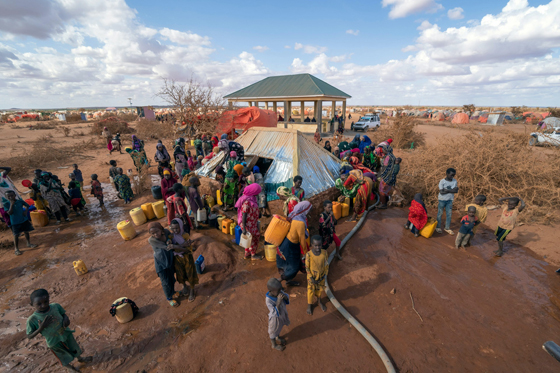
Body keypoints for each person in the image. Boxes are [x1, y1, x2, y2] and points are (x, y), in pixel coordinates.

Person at [27, 289, 93, 371]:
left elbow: (63, 314)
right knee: (63, 357)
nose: (43, 305)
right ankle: (71, 369)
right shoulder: (32, 319)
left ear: (49, 298)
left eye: (46, 301)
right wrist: (41, 328)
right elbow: (29, 336)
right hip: (54, 342)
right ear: (31, 304)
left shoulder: (55, 306)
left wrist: (66, 318)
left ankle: (80, 358)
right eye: (39, 304)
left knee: (74, 348)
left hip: (66, 334)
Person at [276, 201, 312, 287]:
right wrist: (305, 253)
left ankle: (288, 280)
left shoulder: (293, 214)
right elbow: (302, 240)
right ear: (305, 210)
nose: (309, 212)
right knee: (294, 266)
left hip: (285, 242)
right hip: (290, 245)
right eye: (309, 210)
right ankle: (278, 281)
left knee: (287, 262)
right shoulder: (300, 222)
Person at [147, 222, 179, 307]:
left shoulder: (166, 231)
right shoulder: (151, 240)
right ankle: (169, 298)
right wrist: (170, 244)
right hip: (161, 263)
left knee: (171, 278)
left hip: (169, 260)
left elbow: (170, 237)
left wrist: (169, 240)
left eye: (157, 231)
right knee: (165, 282)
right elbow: (166, 247)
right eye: (152, 233)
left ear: (161, 229)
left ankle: (173, 292)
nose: (155, 234)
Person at [169, 219, 198, 302]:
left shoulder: (185, 236)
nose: (175, 230)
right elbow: (170, 247)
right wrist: (179, 245)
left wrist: (176, 247)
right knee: (180, 273)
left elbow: (188, 250)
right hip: (177, 259)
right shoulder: (171, 236)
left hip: (187, 258)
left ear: (181, 227)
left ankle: (192, 290)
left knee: (190, 273)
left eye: (177, 228)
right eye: (173, 228)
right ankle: (184, 286)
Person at [2, 190, 37, 255]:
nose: (10, 197)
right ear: (6, 197)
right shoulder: (6, 204)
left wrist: (26, 211)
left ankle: (28, 243)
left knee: (26, 231)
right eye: (8, 196)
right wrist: (11, 205)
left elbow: (27, 205)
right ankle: (16, 249)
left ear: (15, 195)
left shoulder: (19, 201)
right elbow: (9, 213)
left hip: (23, 219)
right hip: (15, 222)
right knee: (16, 235)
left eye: (11, 196)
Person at [236, 183, 263, 260]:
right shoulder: (247, 201)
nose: (258, 194)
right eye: (257, 192)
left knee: (248, 238)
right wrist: (244, 228)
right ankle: (253, 255)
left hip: (251, 222)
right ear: (254, 191)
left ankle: (247, 253)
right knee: (254, 237)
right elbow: (243, 215)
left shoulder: (252, 198)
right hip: (247, 224)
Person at [306, 235, 329, 315]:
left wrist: (324, 275)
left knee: (319, 290)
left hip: (321, 277)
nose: (318, 247)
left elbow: (326, 265)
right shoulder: (309, 255)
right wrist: (311, 278)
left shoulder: (324, 253)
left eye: (319, 245)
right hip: (311, 278)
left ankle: (319, 301)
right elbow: (307, 268)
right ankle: (310, 305)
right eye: (315, 245)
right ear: (312, 245)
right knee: (310, 291)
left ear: (322, 244)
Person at [266, 278, 290, 352]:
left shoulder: (278, 291)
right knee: (273, 331)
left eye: (280, 289)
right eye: (278, 291)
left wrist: (285, 297)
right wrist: (278, 302)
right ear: (271, 291)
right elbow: (273, 311)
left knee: (279, 328)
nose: (280, 291)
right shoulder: (268, 300)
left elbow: (286, 296)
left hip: (281, 315)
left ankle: (278, 337)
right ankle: (274, 345)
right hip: (275, 319)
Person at [435, 168, 458, 235]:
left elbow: (456, 190)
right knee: (440, 213)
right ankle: (438, 227)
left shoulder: (455, 181)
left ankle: (447, 228)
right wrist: (451, 190)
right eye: (451, 175)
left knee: (449, 214)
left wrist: (446, 190)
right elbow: (441, 192)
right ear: (447, 174)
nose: (452, 177)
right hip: (442, 199)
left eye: (453, 175)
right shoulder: (442, 181)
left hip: (450, 200)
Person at [377, 145, 397, 209]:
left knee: (382, 190)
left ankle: (383, 204)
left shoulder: (388, 157)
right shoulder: (393, 156)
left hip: (386, 177)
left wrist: (381, 175)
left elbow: (385, 167)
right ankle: (386, 203)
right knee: (387, 190)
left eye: (384, 150)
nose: (383, 151)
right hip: (391, 177)